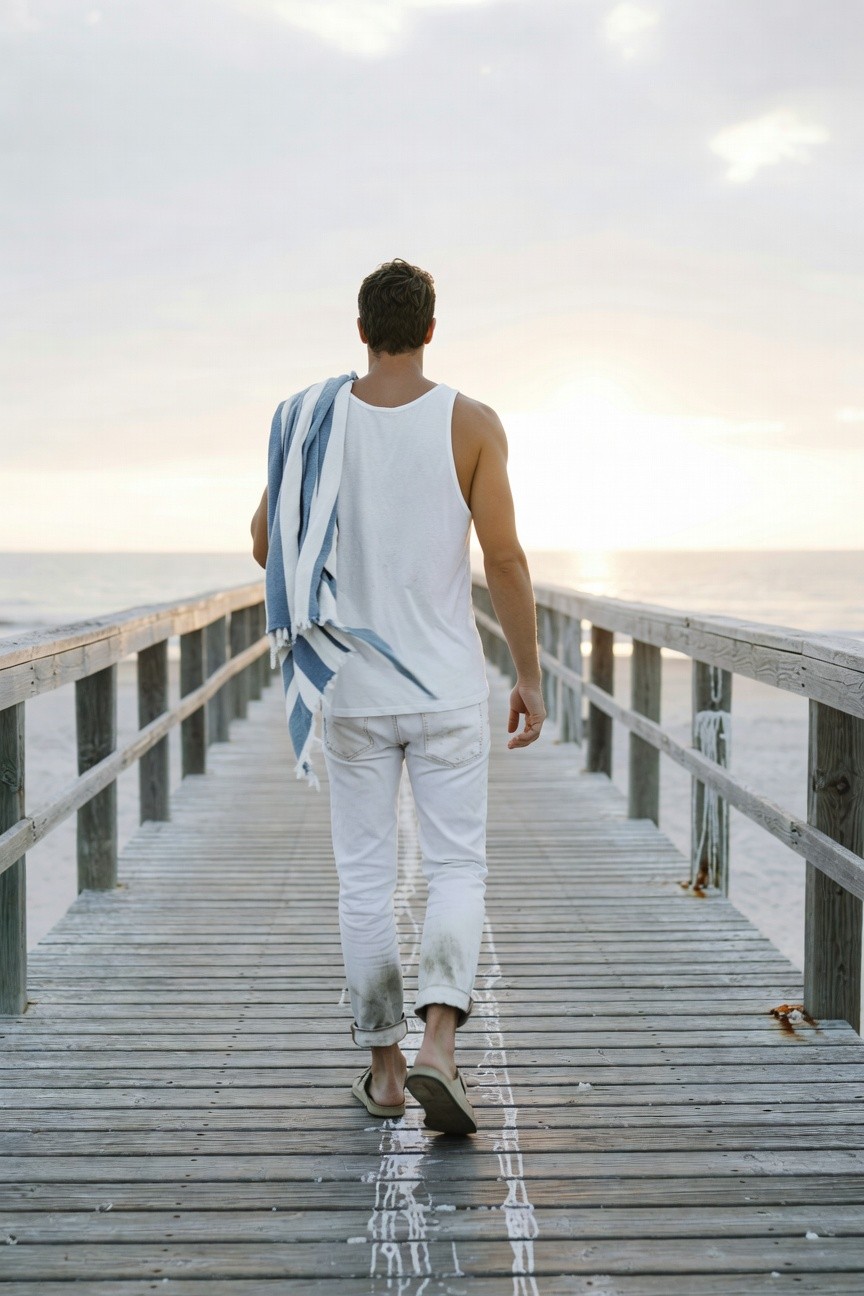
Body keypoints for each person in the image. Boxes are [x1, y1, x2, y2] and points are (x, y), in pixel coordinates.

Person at [250, 258, 544, 1134]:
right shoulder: (473, 423)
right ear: (429, 331)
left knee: (365, 880)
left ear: (361, 331)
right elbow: (506, 561)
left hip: (354, 687)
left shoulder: (314, 422)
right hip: (449, 687)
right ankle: (440, 1050)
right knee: (457, 867)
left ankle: (384, 1074)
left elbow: (268, 543)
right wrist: (529, 676)